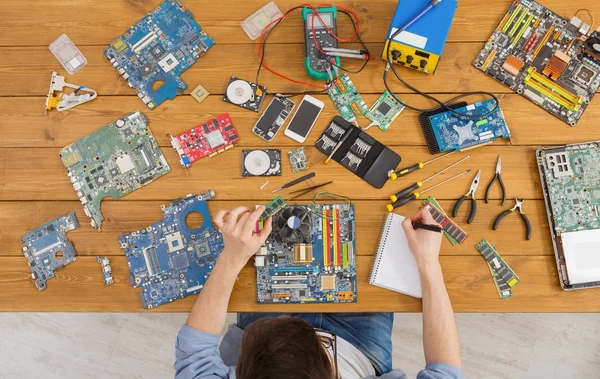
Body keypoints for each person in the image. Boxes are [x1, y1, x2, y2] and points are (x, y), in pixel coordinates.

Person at [175, 205, 464, 379]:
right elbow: (446, 371)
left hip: (267, 325)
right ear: (330, 366)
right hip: (360, 349)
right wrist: (428, 263)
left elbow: (195, 348)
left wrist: (232, 258)